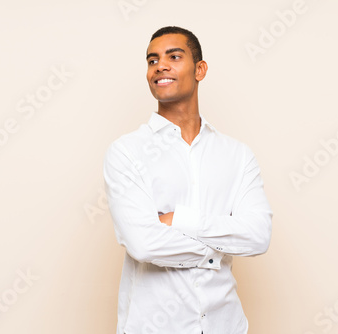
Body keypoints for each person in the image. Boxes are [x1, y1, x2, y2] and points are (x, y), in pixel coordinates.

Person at [103, 26, 273, 334]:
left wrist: (179, 220)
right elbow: (144, 244)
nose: (160, 66)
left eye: (174, 56)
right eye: (152, 60)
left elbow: (258, 236)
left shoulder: (237, 155)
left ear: (200, 69)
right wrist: (219, 248)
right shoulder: (127, 152)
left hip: (226, 325)